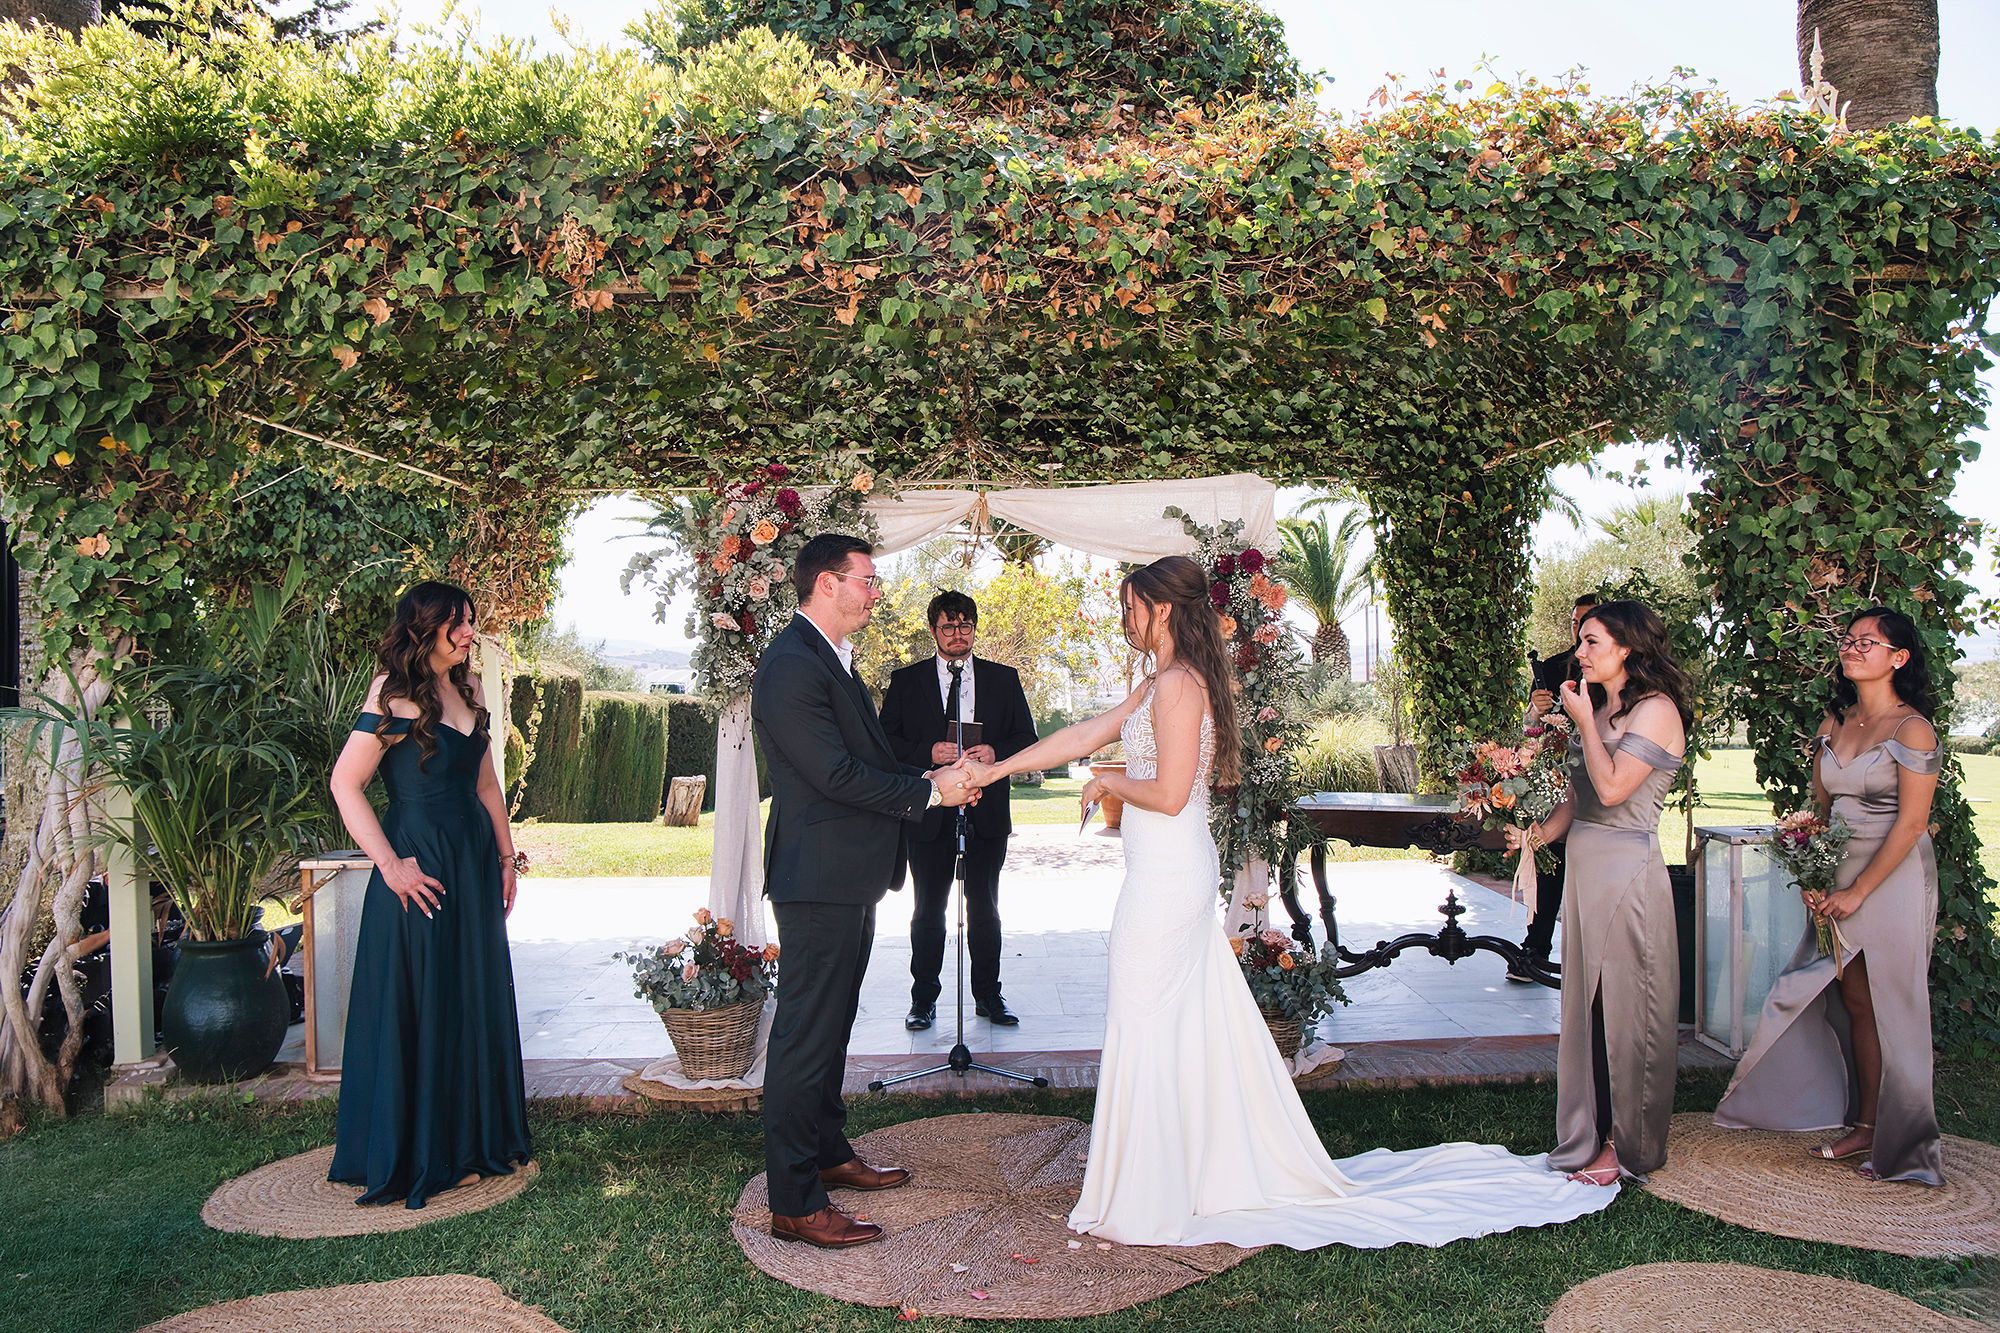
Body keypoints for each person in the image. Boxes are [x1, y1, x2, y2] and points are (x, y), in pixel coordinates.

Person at [959, 555, 1614, 1248]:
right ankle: (1166, 1172)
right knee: (1158, 1018)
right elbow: (1085, 732)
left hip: (1169, 876)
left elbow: (1173, 792)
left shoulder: (1180, 685)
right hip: (1157, 870)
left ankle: (1155, 1185)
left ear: (1160, 608)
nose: (1125, 618)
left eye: (1130, 606)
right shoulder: (1162, 680)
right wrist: (996, 768)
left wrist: (1107, 780)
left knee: (1146, 1014)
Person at [751, 534, 980, 1249]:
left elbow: (868, 756)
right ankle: (794, 1200)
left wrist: (934, 773)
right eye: (868, 580)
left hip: (846, 876)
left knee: (832, 1026)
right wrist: (931, 791)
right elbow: (835, 776)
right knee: (802, 1038)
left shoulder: (833, 659)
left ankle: (826, 1152)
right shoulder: (791, 664)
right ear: (828, 583)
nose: (876, 592)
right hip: (817, 879)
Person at [1715, 607, 1943, 1185]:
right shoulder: (1833, 722)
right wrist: (1816, 876)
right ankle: (1864, 1123)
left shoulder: (1912, 729)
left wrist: (1860, 890)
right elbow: (1819, 812)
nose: (1853, 646)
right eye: (1849, 638)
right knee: (1855, 999)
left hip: (1890, 878)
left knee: (1896, 1006)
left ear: (1899, 658)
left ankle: (1907, 1140)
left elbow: (1912, 825)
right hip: (1836, 875)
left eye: (1869, 641)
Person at [326, 581, 532, 1208]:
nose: (469, 633)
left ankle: (469, 1141)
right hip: (420, 866)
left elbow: (489, 787)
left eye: (470, 621)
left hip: (470, 863)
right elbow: (345, 784)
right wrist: (389, 866)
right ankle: (422, 1150)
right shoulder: (390, 696)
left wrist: (505, 857)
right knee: (426, 997)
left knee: (467, 993)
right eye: (456, 624)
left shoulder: (468, 691)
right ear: (423, 629)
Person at [1506, 600, 1691, 1187]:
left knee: (1627, 1011)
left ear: (1627, 648)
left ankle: (1625, 1143)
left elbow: (1613, 792)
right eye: (1579, 642)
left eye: (1591, 643)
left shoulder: (1656, 711)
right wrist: (1532, 836)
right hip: (1585, 868)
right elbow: (1577, 802)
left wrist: (1583, 722)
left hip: (1627, 872)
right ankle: (1588, 1129)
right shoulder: (1602, 706)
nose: (1579, 653)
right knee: (1586, 1007)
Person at [879, 591, 1039, 1030]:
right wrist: (926, 751)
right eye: (948, 627)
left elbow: (1028, 738)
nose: (957, 635)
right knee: (928, 910)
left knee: (985, 909)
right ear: (933, 630)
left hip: (986, 813)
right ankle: (923, 1000)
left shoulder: (1003, 679)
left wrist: (996, 751)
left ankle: (989, 996)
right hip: (928, 813)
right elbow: (882, 744)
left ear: (974, 628)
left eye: (965, 626)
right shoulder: (906, 680)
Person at [1511, 592, 1602, 982]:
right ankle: (1536, 947)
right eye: (1575, 622)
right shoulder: (1550, 667)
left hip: (1599, 786)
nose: (1579, 631)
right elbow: (1530, 727)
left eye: (1589, 622)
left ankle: (1592, 958)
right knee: (1550, 857)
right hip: (1558, 779)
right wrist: (1537, 709)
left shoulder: (1613, 674)